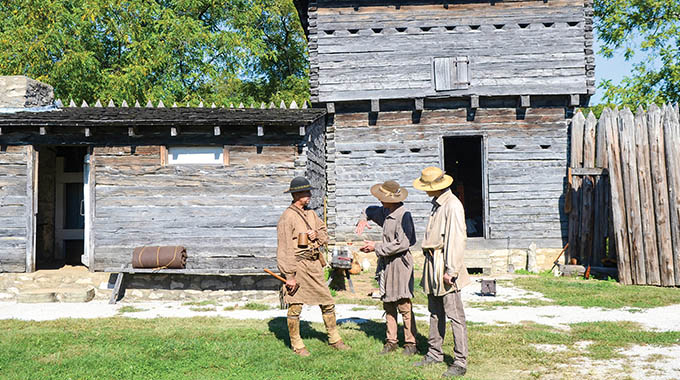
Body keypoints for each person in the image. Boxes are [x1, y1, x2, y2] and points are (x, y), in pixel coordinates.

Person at [276, 176, 350, 357]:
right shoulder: (287, 217)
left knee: (327, 301)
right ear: (296, 194)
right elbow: (284, 248)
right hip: (297, 266)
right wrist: (289, 276)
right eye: (305, 192)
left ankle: (334, 338)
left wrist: (315, 234)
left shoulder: (311, 214)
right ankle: (297, 343)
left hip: (314, 265)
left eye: (308, 192)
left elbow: (324, 235)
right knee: (295, 305)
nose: (309, 195)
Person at [412, 167, 471, 378]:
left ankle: (460, 361)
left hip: (445, 265)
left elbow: (456, 239)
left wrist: (451, 270)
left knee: (455, 315)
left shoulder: (452, 205)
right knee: (435, 312)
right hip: (432, 265)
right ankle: (434, 353)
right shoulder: (437, 204)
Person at [355, 180, 418, 355]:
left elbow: (403, 243)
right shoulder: (385, 211)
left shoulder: (404, 215)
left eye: (383, 198)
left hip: (400, 264)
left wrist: (376, 247)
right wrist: (363, 219)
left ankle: (411, 342)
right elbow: (368, 210)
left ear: (393, 199)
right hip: (386, 263)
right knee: (388, 302)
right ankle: (391, 341)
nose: (380, 201)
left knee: (403, 303)